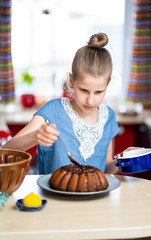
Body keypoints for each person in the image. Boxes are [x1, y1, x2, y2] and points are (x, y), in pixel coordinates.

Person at [3, 33, 126, 174]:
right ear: (72, 81)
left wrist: (122, 160)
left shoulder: (108, 116)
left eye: (99, 92)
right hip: (53, 196)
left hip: (96, 197)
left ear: (107, 85)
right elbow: (6, 152)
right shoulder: (53, 110)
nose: (91, 100)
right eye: (84, 90)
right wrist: (35, 136)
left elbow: (106, 170)